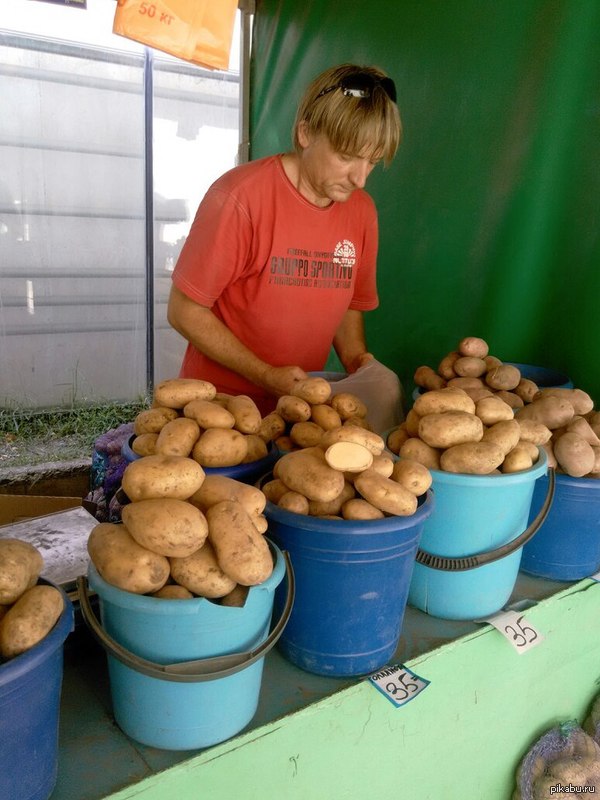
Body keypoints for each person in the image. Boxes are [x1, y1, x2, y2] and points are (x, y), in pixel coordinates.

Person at [167, 63, 402, 414]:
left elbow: (347, 306)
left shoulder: (361, 212)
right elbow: (183, 311)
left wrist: (359, 362)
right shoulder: (239, 198)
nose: (360, 178)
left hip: (301, 411)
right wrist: (264, 374)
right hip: (218, 409)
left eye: (372, 161)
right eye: (347, 157)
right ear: (305, 133)